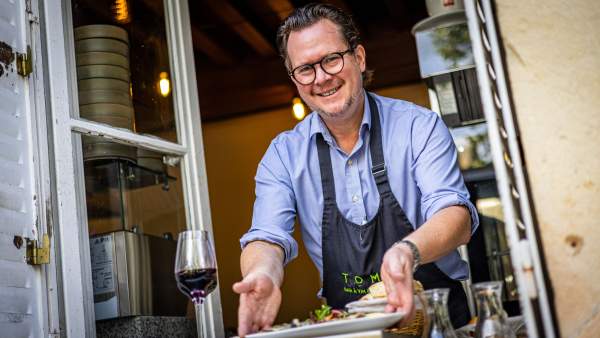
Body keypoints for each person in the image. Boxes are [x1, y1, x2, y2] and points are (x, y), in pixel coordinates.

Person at [233, 3, 479, 337]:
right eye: (305, 69)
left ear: (358, 58)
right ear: (294, 80)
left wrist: (407, 251)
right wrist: (262, 273)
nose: (321, 78)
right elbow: (267, 236)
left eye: (331, 59)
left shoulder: (417, 127)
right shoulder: (283, 155)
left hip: (440, 323)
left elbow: (455, 215)